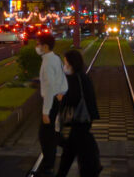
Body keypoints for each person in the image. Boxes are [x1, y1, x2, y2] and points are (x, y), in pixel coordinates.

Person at [56, 49, 101, 177]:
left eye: (65, 63)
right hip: (84, 119)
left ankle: (91, 169)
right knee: (72, 150)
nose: (64, 66)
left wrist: (60, 98)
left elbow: (72, 98)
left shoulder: (74, 79)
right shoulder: (83, 77)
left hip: (80, 119)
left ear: (71, 64)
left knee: (73, 149)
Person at [37, 33, 68, 177]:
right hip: (56, 99)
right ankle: (49, 163)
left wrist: (45, 111)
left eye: (39, 44)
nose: (37, 47)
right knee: (51, 134)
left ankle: (48, 166)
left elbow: (49, 87)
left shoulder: (48, 62)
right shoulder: (55, 58)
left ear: (45, 46)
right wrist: (62, 91)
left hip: (50, 102)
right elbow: (62, 78)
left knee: (45, 136)